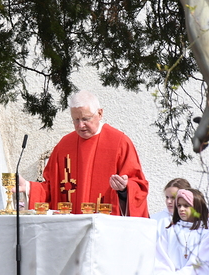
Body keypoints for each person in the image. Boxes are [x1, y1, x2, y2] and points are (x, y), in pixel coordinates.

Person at [17, 90, 149, 216]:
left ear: (100, 113)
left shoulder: (119, 142)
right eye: (76, 120)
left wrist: (124, 189)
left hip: (107, 226)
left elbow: (139, 187)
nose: (80, 125)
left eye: (85, 119)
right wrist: (28, 187)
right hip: (71, 228)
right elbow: (52, 189)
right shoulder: (64, 145)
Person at [155, 188, 209, 274]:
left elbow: (201, 264)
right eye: (179, 205)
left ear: (197, 208)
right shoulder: (170, 231)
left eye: (186, 206)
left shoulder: (205, 233)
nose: (181, 209)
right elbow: (160, 259)